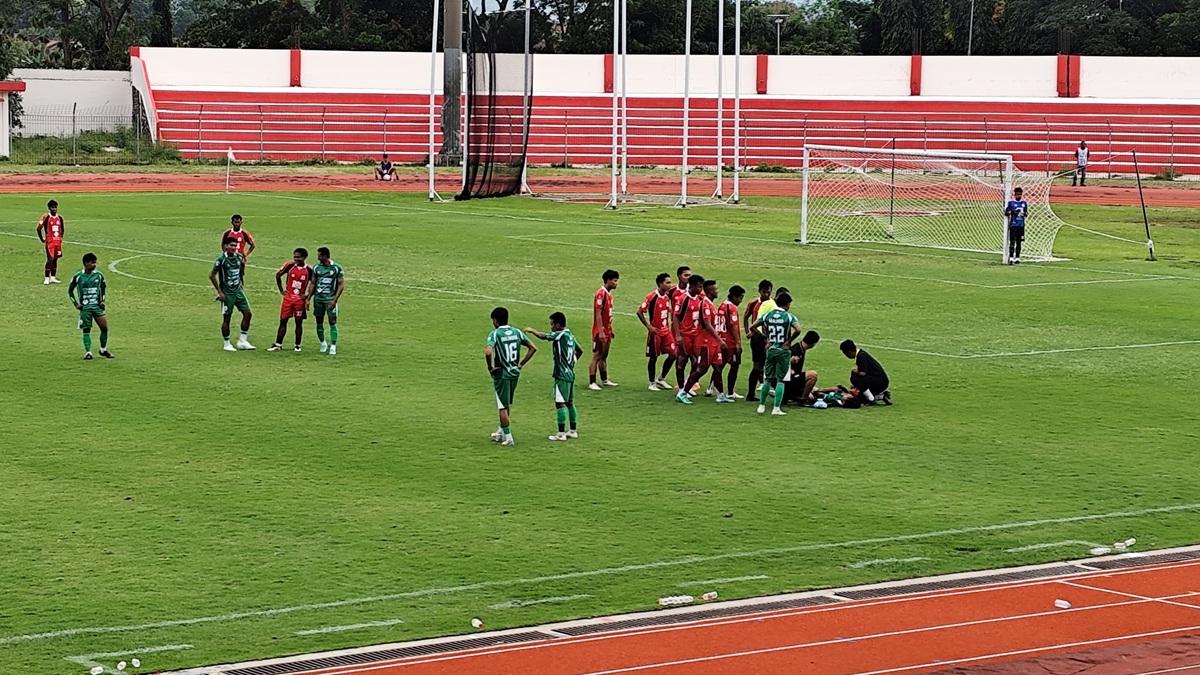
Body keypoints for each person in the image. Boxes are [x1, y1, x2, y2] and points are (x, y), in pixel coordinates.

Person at [525, 312, 583, 442]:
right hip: (570, 373)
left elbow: (544, 336)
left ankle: (561, 434)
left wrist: (532, 331)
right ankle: (573, 431)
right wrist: (572, 362)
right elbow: (580, 350)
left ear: (558, 324)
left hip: (561, 375)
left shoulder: (560, 334)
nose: (551, 327)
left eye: (552, 324)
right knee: (570, 403)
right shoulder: (570, 335)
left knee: (560, 403)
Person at [486, 306, 537, 446]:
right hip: (514, 372)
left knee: (502, 406)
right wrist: (520, 364)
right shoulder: (517, 332)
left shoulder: (495, 334)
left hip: (502, 373)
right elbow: (533, 348)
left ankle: (508, 438)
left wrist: (490, 368)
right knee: (506, 402)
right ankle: (501, 432)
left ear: (495, 320)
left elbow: (488, 352)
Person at [750, 291, 800, 416]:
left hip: (771, 350)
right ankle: (776, 408)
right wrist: (789, 341)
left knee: (767, 379)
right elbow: (798, 329)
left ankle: (761, 405)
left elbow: (753, 327)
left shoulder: (767, 315)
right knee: (781, 380)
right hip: (783, 351)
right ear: (787, 304)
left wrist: (766, 337)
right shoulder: (789, 317)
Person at [681, 278, 726, 404]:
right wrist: (719, 340)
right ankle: (683, 392)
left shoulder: (710, 304)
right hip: (706, 342)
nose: (717, 291)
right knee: (702, 369)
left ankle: (721, 395)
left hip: (713, 343)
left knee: (718, 368)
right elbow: (707, 325)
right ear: (710, 291)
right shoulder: (705, 304)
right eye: (715, 289)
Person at [211, 236, 254, 351]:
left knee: (248, 314)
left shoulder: (239, 257)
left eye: (235, 245)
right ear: (226, 246)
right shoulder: (221, 260)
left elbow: (241, 268)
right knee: (227, 318)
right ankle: (227, 344)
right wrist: (220, 292)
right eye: (231, 245)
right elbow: (212, 275)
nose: (234, 247)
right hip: (227, 293)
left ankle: (242, 341)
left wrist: (241, 281)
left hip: (238, 291)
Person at [68, 252, 114, 360]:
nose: (94, 265)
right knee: (86, 330)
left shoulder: (99, 275)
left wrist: (102, 300)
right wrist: (76, 304)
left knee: (104, 328)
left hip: (97, 307)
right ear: (86, 263)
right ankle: (88, 352)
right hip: (85, 308)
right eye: (92, 263)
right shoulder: (78, 276)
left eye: (95, 262)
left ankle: (103, 350)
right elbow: (70, 291)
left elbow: (103, 288)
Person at [637, 272, 677, 391]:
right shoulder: (652, 296)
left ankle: (661, 379)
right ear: (660, 284)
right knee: (653, 357)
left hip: (666, 332)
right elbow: (639, 312)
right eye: (667, 283)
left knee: (674, 354)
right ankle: (651, 383)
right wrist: (649, 326)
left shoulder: (667, 296)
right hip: (656, 332)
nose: (670, 285)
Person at [268, 248, 313, 352]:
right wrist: (281, 290)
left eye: (298, 257)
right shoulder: (289, 265)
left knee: (298, 322)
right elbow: (278, 275)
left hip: (299, 300)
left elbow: (314, 283)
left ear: (304, 257)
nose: (296, 259)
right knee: (283, 320)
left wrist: (307, 295)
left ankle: (297, 345)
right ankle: (278, 344)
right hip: (288, 299)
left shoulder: (309, 270)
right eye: (295, 257)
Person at [710, 284, 744, 401]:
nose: (740, 301)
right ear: (734, 296)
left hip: (721, 339)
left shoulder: (722, 305)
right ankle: (729, 392)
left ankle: (712, 388)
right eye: (740, 298)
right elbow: (733, 326)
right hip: (729, 342)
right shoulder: (731, 308)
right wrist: (738, 343)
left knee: (720, 366)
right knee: (733, 366)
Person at [310, 246, 345, 356]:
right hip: (318, 299)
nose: (318, 258)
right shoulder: (316, 267)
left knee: (332, 321)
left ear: (325, 256)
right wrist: (308, 298)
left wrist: (335, 300)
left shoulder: (336, 268)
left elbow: (341, 285)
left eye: (319, 256)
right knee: (319, 321)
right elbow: (313, 283)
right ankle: (323, 343)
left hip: (330, 299)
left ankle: (333, 345)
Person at [588, 269, 619, 390]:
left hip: (607, 330)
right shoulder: (601, 294)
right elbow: (598, 314)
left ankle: (604, 380)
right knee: (596, 355)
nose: (616, 283)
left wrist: (610, 330)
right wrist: (600, 331)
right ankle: (592, 382)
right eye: (615, 281)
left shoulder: (609, 295)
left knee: (604, 355)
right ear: (608, 280)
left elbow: (607, 315)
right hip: (600, 331)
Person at [743, 279, 772, 401]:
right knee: (758, 365)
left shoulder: (772, 304)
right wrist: (747, 332)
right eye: (764, 292)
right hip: (757, 338)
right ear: (759, 291)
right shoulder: (753, 303)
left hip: (767, 338)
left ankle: (760, 387)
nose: (766, 294)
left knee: (764, 364)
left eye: (768, 292)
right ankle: (751, 393)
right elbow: (746, 317)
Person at [839, 339, 892, 405]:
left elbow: (862, 373)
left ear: (849, 352)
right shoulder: (861, 354)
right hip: (879, 380)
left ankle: (871, 399)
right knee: (860, 397)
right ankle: (881, 396)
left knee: (854, 378)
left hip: (879, 382)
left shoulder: (861, 356)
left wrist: (855, 371)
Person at [670, 266, 694, 395]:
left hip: (693, 332)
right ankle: (682, 386)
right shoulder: (673, 291)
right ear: (679, 276)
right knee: (680, 357)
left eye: (690, 275)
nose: (688, 278)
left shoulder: (695, 292)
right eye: (686, 275)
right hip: (678, 330)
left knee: (694, 358)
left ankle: (689, 384)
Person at [785, 331, 821, 405]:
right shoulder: (796, 350)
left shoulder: (800, 348)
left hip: (793, 378)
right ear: (813, 343)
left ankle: (799, 395)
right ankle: (803, 400)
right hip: (788, 381)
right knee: (812, 375)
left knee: (815, 390)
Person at [36, 199, 65, 285]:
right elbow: (38, 228)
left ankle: (53, 277)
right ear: (49, 208)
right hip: (50, 242)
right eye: (52, 207)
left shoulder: (60, 218)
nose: (54, 209)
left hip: (57, 242)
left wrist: (60, 238)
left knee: (55, 259)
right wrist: (42, 239)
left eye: (55, 207)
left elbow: (62, 229)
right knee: (50, 259)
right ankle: (46, 278)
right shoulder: (46, 217)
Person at [1004, 187, 1028, 265]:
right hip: (1013, 225)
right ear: (1015, 194)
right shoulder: (1011, 203)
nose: (1019, 196)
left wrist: (1023, 213)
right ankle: (1011, 258)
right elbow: (1006, 213)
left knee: (1019, 242)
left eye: (1020, 194)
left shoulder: (1024, 203)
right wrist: (1013, 211)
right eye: (1017, 194)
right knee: (1012, 241)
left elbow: (1026, 214)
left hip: (1021, 226)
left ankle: (1017, 258)